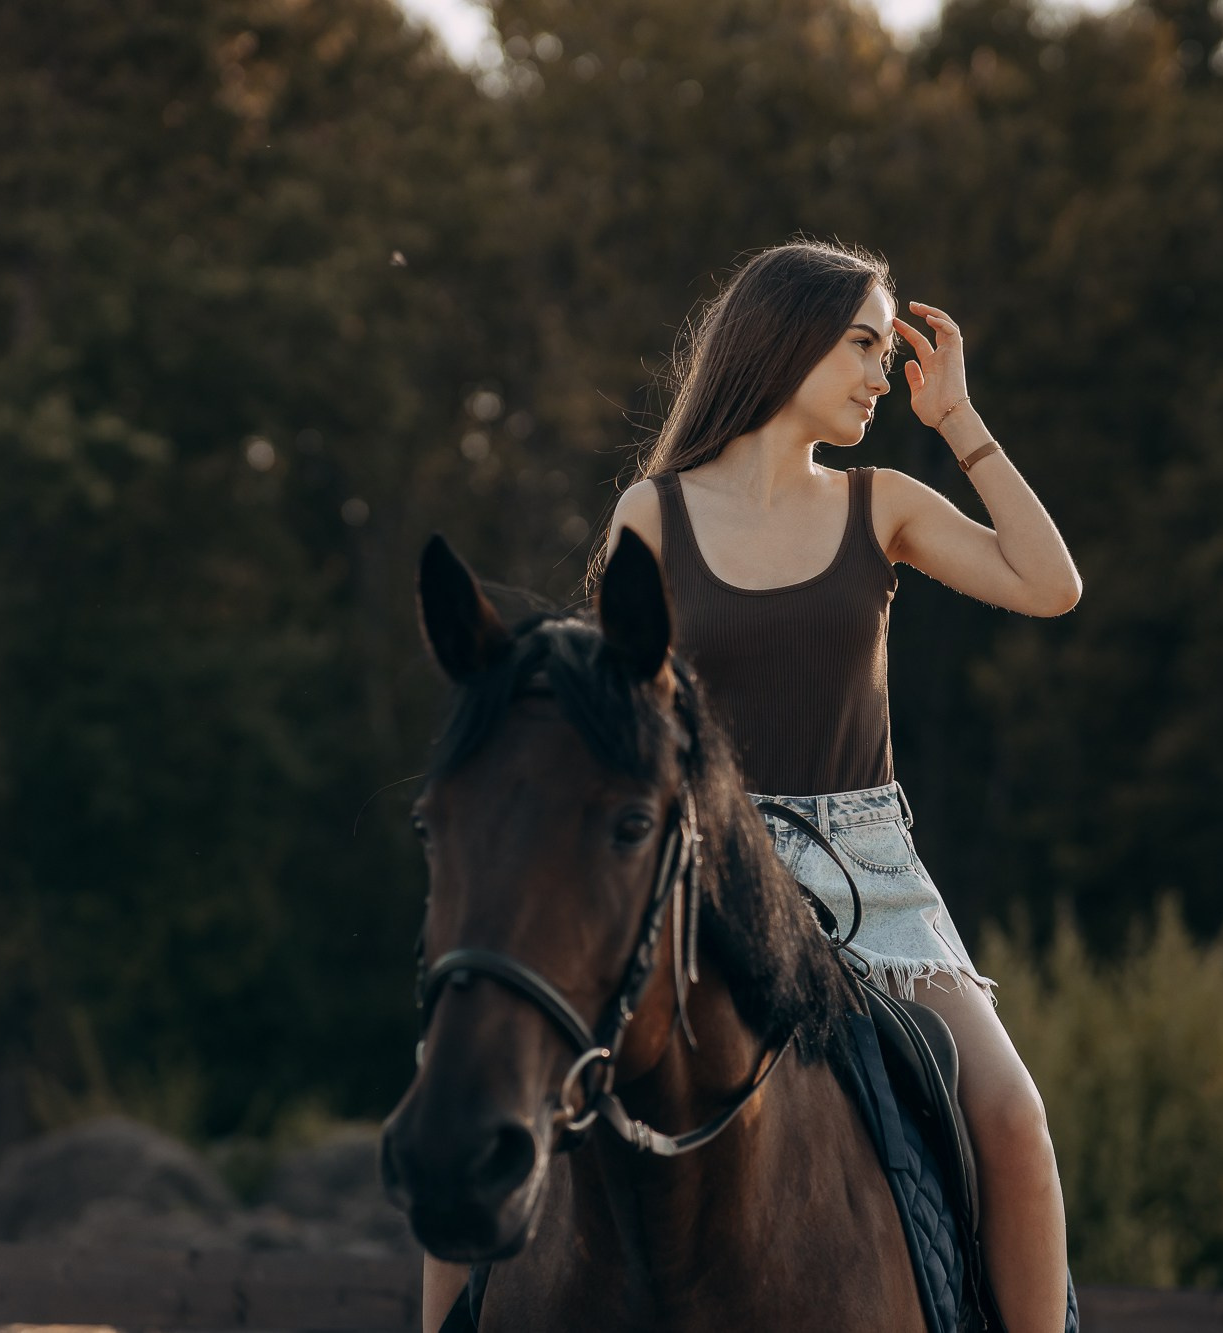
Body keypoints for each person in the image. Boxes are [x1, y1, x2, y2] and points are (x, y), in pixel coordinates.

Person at [422, 238, 1078, 1333]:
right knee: (464, 1077)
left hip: (875, 879)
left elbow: (1048, 585)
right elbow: (614, 719)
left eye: (883, 350)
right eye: (862, 344)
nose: (881, 374)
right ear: (787, 340)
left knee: (1010, 1114)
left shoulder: (883, 504)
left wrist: (957, 419)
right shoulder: (654, 513)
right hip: (698, 869)